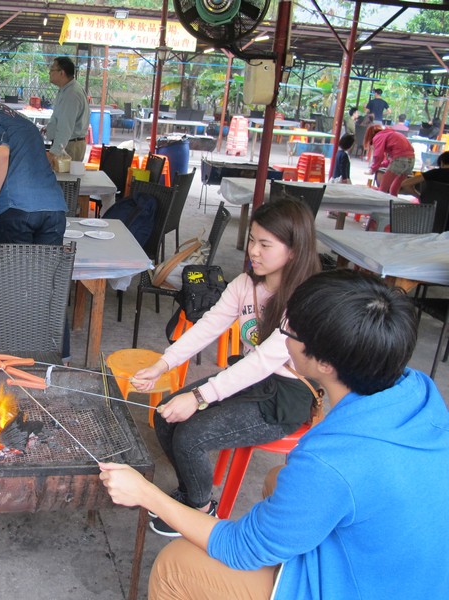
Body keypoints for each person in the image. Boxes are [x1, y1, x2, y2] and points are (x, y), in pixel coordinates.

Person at [100, 269, 449, 600]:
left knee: (175, 564)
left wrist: (146, 493)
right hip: (414, 566)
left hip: (367, 587)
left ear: (325, 364)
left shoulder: (328, 460)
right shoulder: (416, 387)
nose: (282, 334)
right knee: (277, 478)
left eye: (288, 330)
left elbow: (239, 548)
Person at [128, 199, 321, 537]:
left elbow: (264, 361)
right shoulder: (246, 285)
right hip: (247, 378)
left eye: (265, 244)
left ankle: (202, 511)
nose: (253, 251)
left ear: (294, 250)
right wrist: (163, 363)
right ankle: (194, 491)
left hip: (283, 397)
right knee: (165, 415)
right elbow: (208, 326)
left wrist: (200, 396)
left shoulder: (304, 302)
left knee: (189, 435)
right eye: (251, 240)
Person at [0, 75, 67, 244]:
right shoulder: (19, 119)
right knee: (45, 270)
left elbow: (1, 152)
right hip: (54, 210)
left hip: (17, 211)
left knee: (14, 271)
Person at [45, 56, 90, 165]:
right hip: (68, 144)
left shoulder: (71, 94)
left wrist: (53, 153)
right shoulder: (66, 90)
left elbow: (65, 127)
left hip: (69, 147)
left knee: (64, 180)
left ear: (62, 73)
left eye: (52, 69)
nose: (49, 73)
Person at [364, 125, 415, 196]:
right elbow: (392, 159)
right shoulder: (391, 134)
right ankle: (392, 206)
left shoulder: (378, 137)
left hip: (400, 160)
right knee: (394, 190)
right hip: (411, 161)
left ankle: (379, 206)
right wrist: (380, 165)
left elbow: (378, 155)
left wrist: (372, 169)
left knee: (382, 190)